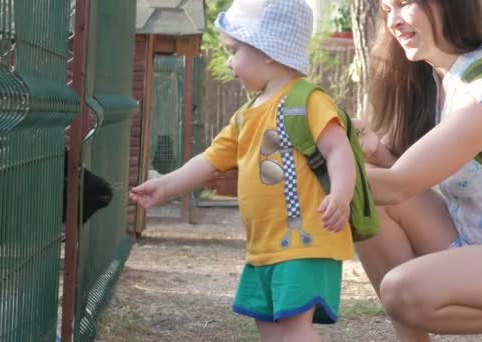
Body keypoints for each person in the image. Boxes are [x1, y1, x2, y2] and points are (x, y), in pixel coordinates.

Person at [129, 0, 358, 340]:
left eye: (234, 51)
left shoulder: (308, 100)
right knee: (267, 325)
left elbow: (338, 148)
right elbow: (209, 160)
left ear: (267, 49)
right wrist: (166, 186)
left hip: (306, 241)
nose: (229, 61)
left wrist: (341, 194)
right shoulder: (245, 114)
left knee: (295, 328)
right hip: (263, 247)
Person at [352, 0, 482, 341]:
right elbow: (402, 183)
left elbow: (399, 185)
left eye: (404, 4)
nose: (394, 21)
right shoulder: (444, 81)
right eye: (386, 10)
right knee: (369, 204)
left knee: (400, 290)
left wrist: (304, 167)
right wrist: (375, 153)